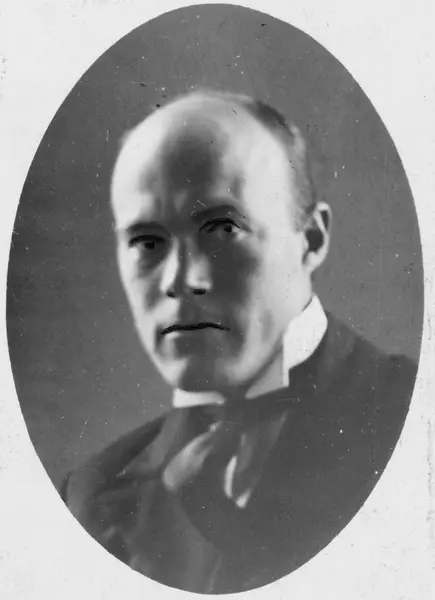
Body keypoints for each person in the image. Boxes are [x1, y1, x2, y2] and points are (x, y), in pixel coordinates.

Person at [61, 89, 417, 594]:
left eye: (221, 229)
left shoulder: (415, 423)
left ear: (312, 239)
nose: (181, 280)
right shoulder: (90, 493)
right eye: (147, 242)